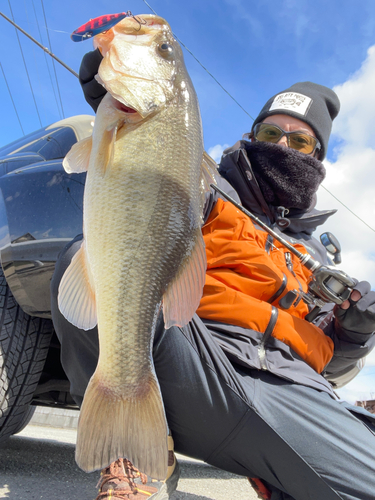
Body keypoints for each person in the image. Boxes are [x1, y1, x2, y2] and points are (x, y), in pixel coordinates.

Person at [50, 49, 375, 500]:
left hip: (292, 395)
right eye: (270, 132)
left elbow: (332, 367)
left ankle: (278, 471)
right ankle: (136, 450)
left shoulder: (318, 255)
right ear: (251, 134)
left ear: (317, 155)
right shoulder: (203, 185)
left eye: (299, 141)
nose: (281, 146)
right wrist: (130, 125)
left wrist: (354, 334)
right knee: (92, 262)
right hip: (194, 366)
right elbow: (150, 192)